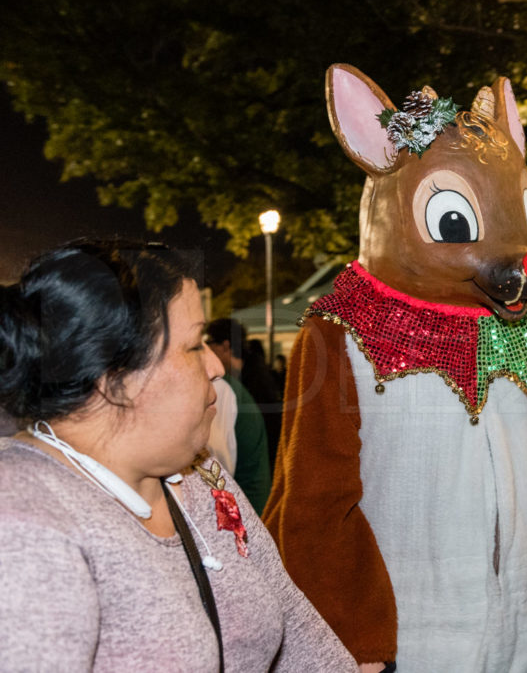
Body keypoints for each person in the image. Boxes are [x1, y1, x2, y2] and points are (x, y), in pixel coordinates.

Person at [0, 240, 357, 671]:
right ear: (115, 374)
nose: (216, 366)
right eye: (194, 345)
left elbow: (295, 622)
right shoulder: (25, 525)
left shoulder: (199, 471)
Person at [205, 319, 273, 512]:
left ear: (226, 346)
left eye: (209, 343)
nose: (208, 352)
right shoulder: (246, 376)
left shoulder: (241, 387)